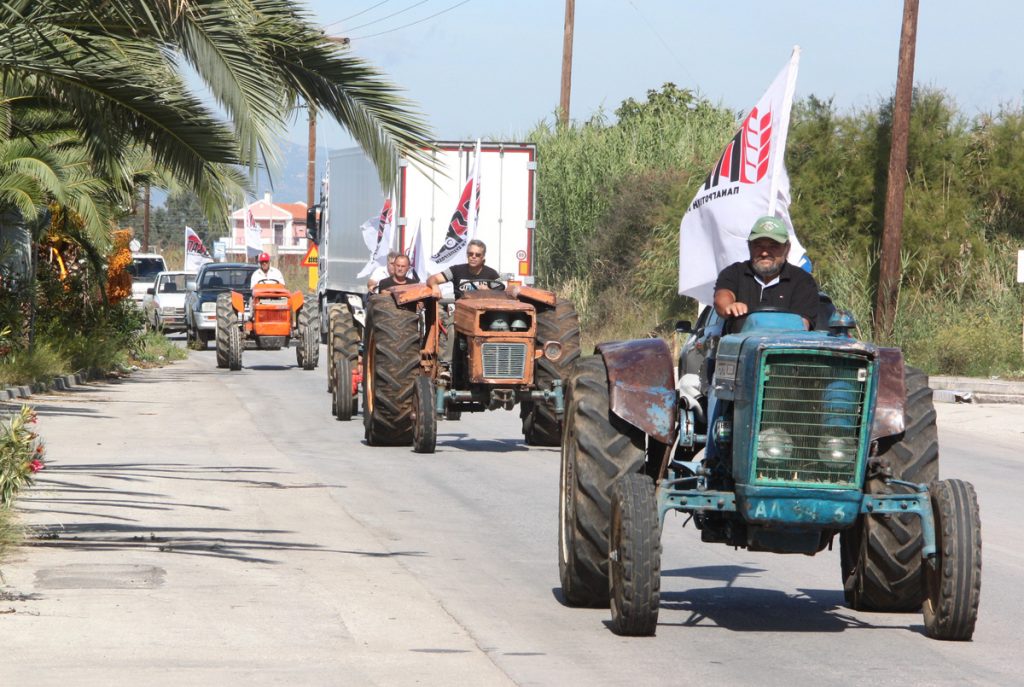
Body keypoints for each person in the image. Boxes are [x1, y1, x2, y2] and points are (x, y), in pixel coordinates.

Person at [713, 216, 818, 329]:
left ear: (787, 248)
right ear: (749, 246)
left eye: (774, 246)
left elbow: (802, 326)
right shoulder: (734, 272)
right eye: (758, 246)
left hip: (785, 345)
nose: (764, 253)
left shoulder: (803, 281)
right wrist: (730, 306)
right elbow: (722, 296)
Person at [426, 239, 500, 298]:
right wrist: (434, 286)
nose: (473, 257)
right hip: (460, 310)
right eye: (470, 254)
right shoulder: (456, 270)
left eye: (477, 255)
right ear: (467, 255)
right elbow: (432, 278)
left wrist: (489, 292)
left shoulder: (492, 274)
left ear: (483, 257)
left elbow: (502, 294)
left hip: (484, 311)